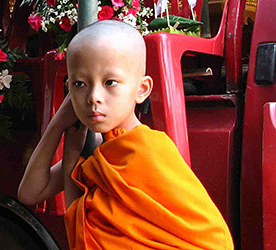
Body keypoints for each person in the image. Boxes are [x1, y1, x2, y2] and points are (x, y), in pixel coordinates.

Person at [18, 20, 233, 249]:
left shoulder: (147, 150)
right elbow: (31, 193)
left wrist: (71, 153)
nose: (94, 96)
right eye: (80, 84)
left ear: (142, 90)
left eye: (110, 82)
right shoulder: (100, 148)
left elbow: (212, 241)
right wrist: (58, 125)